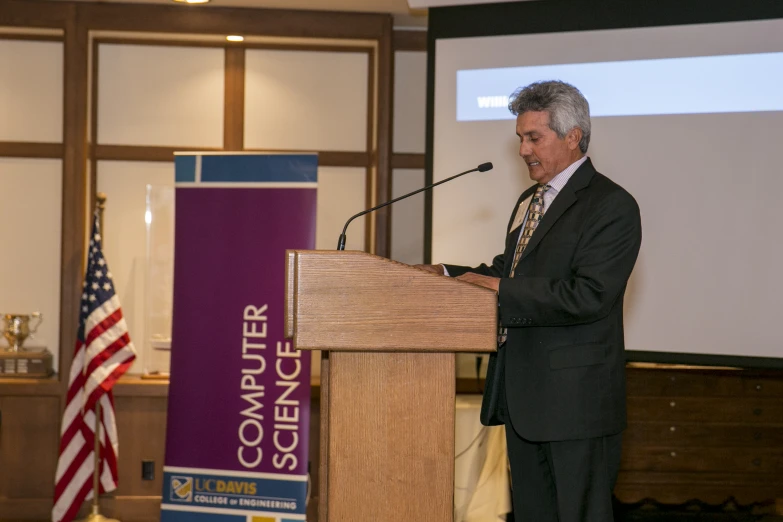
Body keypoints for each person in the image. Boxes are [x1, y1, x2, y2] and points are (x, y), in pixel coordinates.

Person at [418, 80, 642, 522]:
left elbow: (589, 295)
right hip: (524, 399)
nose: (523, 149)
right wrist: (445, 276)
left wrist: (499, 288)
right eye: (520, 137)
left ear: (572, 136)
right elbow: (510, 272)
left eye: (533, 137)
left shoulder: (611, 205)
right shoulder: (529, 201)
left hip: (575, 406)